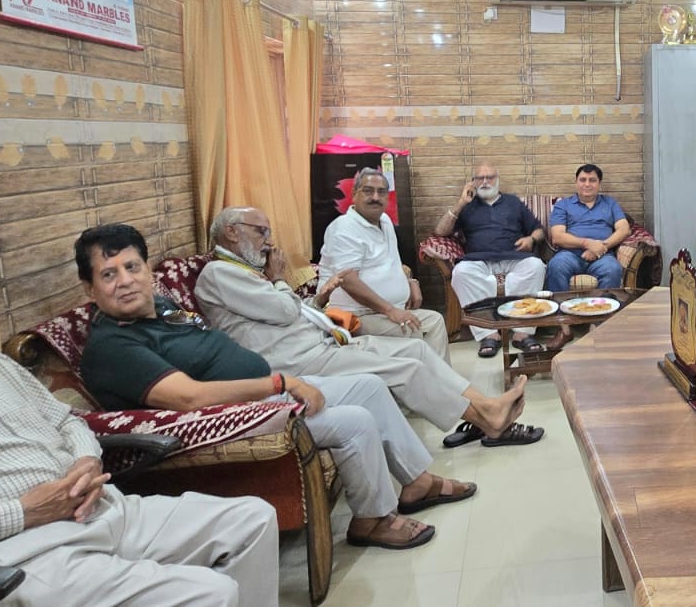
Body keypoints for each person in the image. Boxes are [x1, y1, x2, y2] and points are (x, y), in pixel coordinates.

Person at [0, 233, 280, 605]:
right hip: (13, 557)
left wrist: (85, 459)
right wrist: (18, 514)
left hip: (103, 509)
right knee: (210, 593)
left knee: (253, 520)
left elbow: (66, 421)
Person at [74, 225, 482, 550]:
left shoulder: (160, 309)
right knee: (355, 420)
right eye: (109, 275)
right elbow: (187, 398)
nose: (125, 281)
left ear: (148, 271)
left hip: (264, 390)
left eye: (133, 268)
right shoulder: (114, 346)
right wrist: (279, 382)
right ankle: (371, 520)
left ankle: (417, 482)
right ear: (90, 290)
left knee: (370, 387)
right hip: (232, 417)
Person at [189, 214, 543, 448]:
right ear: (231, 232)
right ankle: (488, 418)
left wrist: (317, 299)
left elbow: (289, 311)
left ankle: (487, 407)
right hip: (296, 359)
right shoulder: (221, 274)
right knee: (407, 366)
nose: (268, 241)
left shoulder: (245, 272)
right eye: (260, 231)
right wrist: (279, 278)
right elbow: (282, 310)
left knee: (417, 350)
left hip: (320, 341)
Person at [319, 168, 449, 358]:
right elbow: (348, 280)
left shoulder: (385, 221)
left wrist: (410, 282)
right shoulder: (343, 228)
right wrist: (390, 310)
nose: (375, 197)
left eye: (381, 192)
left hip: (387, 311)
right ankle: (422, 375)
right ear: (354, 194)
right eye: (368, 191)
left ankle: (439, 376)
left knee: (435, 321)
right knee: (410, 329)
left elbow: (390, 262)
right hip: (356, 315)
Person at [432, 162, 548, 358]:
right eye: (480, 178)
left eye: (490, 177)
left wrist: (531, 239)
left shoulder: (513, 202)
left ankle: (522, 332)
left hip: (513, 257)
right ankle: (488, 333)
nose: (485, 181)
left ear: (497, 179)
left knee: (536, 266)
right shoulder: (467, 205)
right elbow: (440, 231)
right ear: (473, 181)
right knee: (460, 273)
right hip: (478, 260)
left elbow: (539, 230)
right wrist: (461, 202)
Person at [546, 163, 631, 292]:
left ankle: (603, 305)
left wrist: (601, 248)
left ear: (599, 184)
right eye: (582, 180)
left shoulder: (610, 203)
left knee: (613, 269)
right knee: (556, 265)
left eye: (592, 180)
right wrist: (587, 244)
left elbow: (624, 229)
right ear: (576, 182)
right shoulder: (563, 205)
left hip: (603, 256)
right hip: (569, 255)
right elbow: (557, 237)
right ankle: (561, 305)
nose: (587, 184)